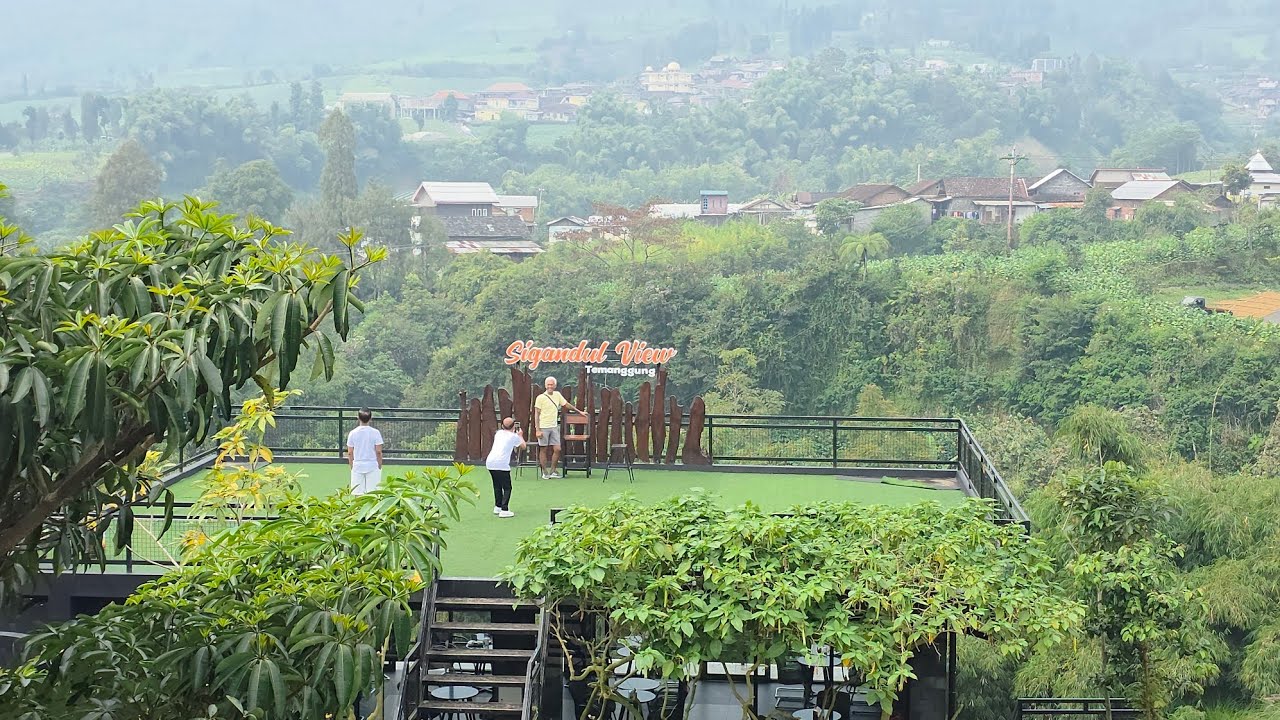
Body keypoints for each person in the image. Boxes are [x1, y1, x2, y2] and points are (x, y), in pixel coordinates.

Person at [532, 376, 584, 479]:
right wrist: (537, 429)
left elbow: (566, 404)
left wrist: (579, 411)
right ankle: (544, 472)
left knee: (557, 449)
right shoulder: (540, 398)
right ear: (545, 385)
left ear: (555, 385)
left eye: (552, 384)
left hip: (554, 426)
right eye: (548, 384)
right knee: (543, 449)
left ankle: (553, 470)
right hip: (543, 427)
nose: (550, 386)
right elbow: (536, 414)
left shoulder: (557, 395)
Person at [485, 417, 526, 518]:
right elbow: (523, 446)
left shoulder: (498, 433)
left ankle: (497, 506)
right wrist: (520, 435)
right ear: (514, 426)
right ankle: (504, 509)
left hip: (490, 462)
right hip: (501, 463)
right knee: (507, 487)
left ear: (502, 426)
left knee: (497, 485)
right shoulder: (514, 436)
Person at [347, 408, 384, 495]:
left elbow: (350, 452)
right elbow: (378, 451)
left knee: (358, 494)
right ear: (371, 418)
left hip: (358, 465)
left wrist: (352, 466)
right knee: (373, 493)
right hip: (372, 465)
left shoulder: (353, 433)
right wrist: (379, 465)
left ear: (358, 418)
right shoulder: (376, 433)